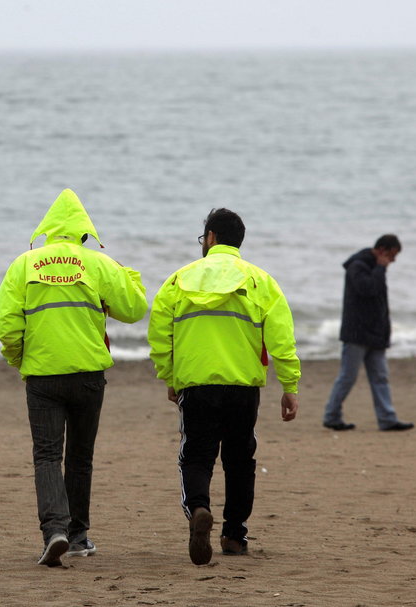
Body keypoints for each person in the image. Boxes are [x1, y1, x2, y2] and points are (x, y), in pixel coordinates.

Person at [0, 189, 147, 567]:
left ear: (47, 230)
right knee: (80, 457)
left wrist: (21, 360)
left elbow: (8, 327)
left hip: (43, 376)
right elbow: (135, 308)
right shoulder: (97, 263)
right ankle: (78, 536)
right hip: (87, 374)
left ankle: (55, 532)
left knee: (46, 456)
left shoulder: (24, 264)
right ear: (84, 233)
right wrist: (125, 271)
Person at [147, 208, 300, 566]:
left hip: (197, 384)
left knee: (196, 455)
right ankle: (234, 535)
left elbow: (159, 335)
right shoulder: (260, 280)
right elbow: (281, 338)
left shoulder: (178, 280)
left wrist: (169, 377)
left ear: (211, 237)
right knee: (240, 459)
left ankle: (199, 508)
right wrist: (289, 385)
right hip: (243, 385)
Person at [322, 234, 414, 432]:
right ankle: (332, 416)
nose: (393, 260)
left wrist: (384, 331)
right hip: (357, 333)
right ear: (382, 250)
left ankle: (387, 419)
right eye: (392, 254)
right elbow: (368, 289)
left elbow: (378, 301)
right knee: (348, 377)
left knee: (380, 377)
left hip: (376, 333)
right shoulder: (358, 266)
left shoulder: (375, 267)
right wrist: (380, 267)